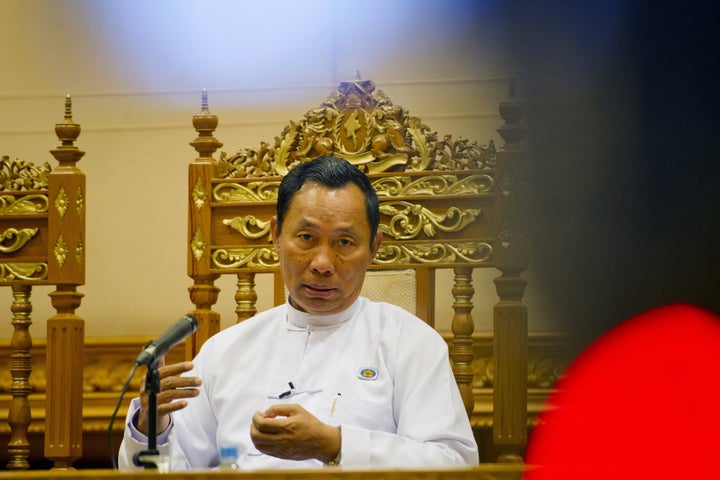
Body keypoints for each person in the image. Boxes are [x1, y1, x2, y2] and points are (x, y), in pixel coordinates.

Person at [118, 156, 479, 470]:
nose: (322, 263)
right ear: (276, 235)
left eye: (345, 243)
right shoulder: (224, 351)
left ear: (374, 248)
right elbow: (164, 473)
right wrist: (153, 428)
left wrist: (336, 445)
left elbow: (454, 463)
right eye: (306, 238)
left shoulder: (410, 343)